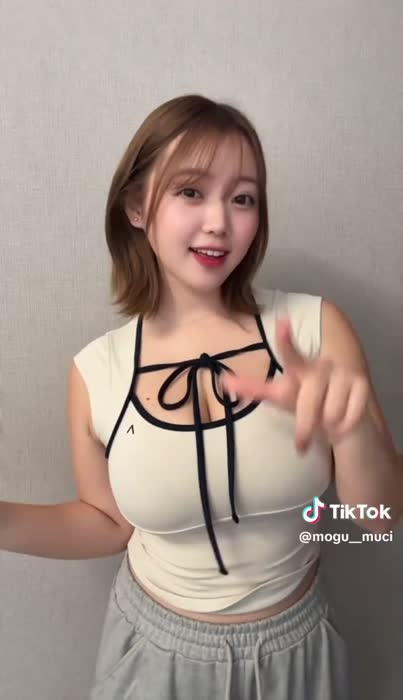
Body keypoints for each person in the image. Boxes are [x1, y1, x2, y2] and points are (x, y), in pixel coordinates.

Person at [1, 93, 401, 700]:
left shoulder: (315, 329)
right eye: (191, 191)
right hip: (152, 653)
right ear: (137, 206)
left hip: (298, 651)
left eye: (243, 198)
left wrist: (353, 434)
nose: (219, 221)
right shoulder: (97, 371)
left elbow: (377, 523)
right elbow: (107, 524)